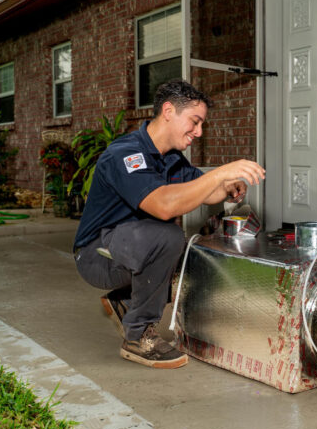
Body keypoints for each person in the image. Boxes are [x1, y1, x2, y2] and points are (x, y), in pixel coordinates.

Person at [73, 80, 265, 368]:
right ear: (168, 111)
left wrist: (227, 185)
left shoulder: (171, 159)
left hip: (129, 247)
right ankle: (137, 336)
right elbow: (163, 206)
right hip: (96, 255)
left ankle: (126, 300)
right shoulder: (126, 154)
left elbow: (204, 189)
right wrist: (220, 173)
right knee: (169, 237)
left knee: (190, 251)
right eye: (195, 122)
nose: (199, 132)